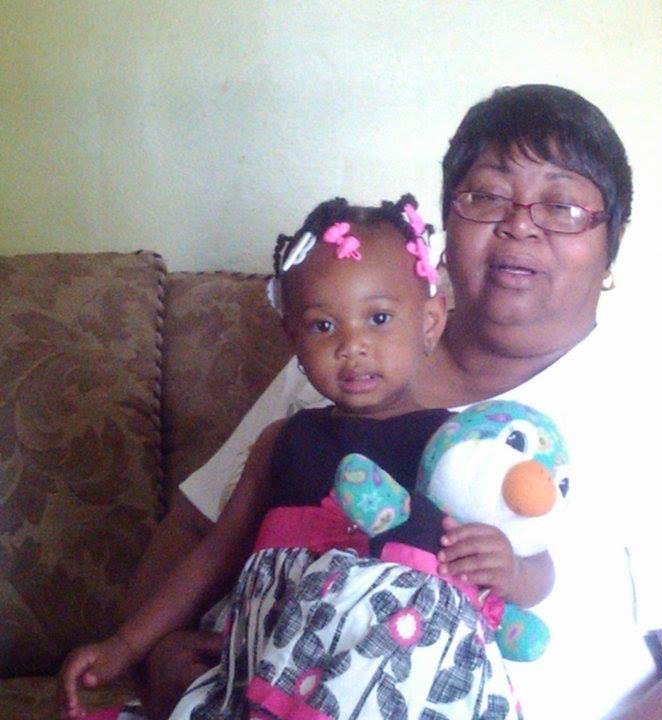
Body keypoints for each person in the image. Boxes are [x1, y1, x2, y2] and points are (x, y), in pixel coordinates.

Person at [112, 85, 662, 719]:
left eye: (563, 207)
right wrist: (154, 657)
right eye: (487, 196)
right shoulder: (350, 359)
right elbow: (198, 529)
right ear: (445, 231)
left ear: (611, 250)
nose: (520, 225)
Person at [59, 195, 554, 720]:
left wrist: (512, 568)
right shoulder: (283, 440)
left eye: (379, 318)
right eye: (323, 326)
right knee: (178, 675)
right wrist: (126, 644)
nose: (352, 345)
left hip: (392, 675)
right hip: (274, 668)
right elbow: (216, 555)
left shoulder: (456, 448)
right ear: (293, 338)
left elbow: (540, 566)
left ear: (430, 322)